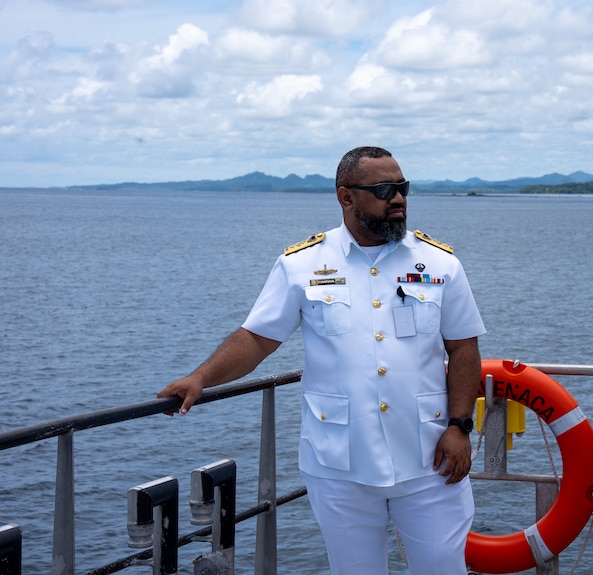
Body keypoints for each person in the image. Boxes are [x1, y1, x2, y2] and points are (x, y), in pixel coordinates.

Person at [157, 146, 485, 575]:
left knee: (443, 569)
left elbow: (463, 348)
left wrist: (460, 427)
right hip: (339, 467)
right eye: (384, 189)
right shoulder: (302, 265)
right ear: (346, 197)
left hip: (429, 462)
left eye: (402, 187)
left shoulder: (440, 264)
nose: (399, 198)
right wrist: (200, 378)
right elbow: (256, 339)